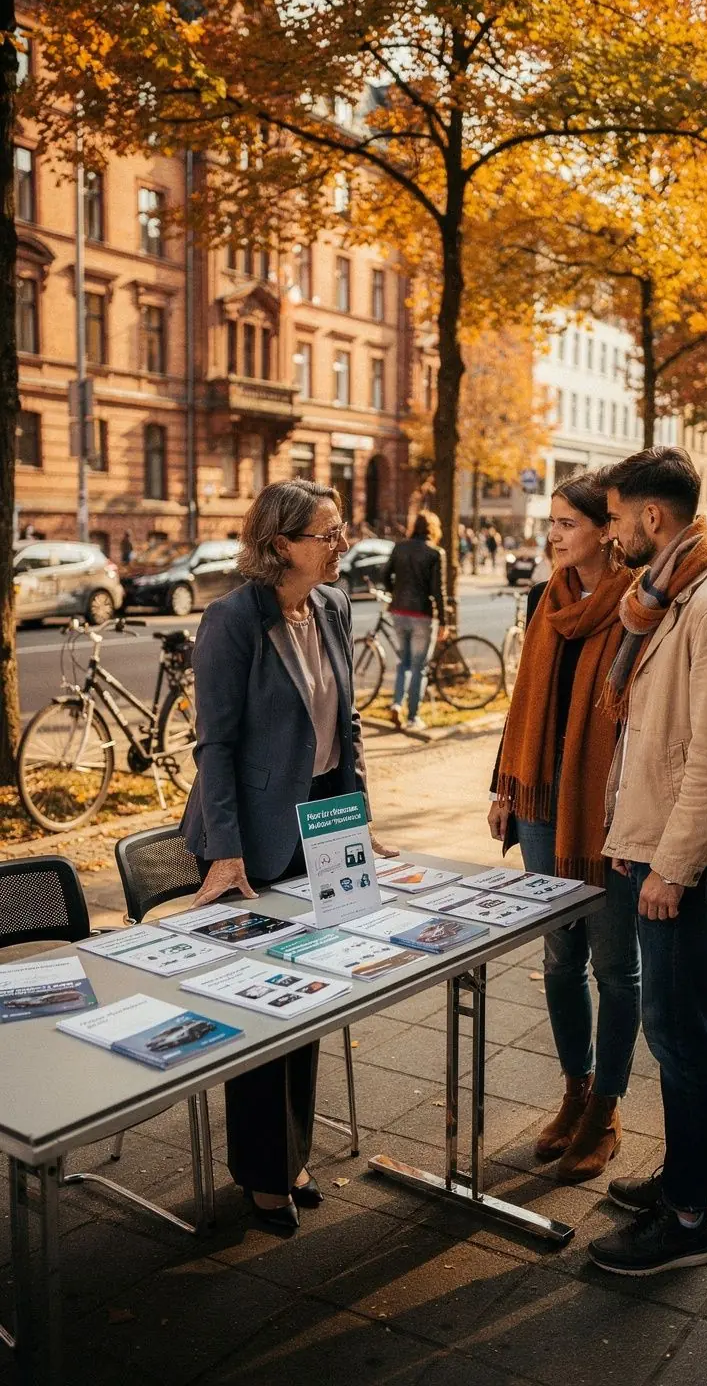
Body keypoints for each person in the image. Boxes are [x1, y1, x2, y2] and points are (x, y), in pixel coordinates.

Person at [181, 479, 394, 1233]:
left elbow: (351, 725)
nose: (343, 546)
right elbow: (217, 745)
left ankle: (292, 1154)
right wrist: (228, 852)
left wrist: (361, 821)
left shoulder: (331, 605)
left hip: (324, 830)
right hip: (258, 840)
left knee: (310, 997)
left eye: (343, 532)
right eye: (328, 536)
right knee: (257, 1005)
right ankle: (261, 1174)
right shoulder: (234, 619)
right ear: (280, 546)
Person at [588, 446, 707, 1277]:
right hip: (651, 843)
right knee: (685, 1026)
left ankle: (688, 1220)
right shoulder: (675, 594)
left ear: (651, 519)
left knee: (678, 1031)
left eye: (618, 517)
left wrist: (671, 867)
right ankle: (694, 1180)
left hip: (676, 859)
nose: (612, 531)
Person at [488, 472, 641, 1182]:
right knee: (559, 958)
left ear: (605, 530)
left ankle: (607, 1107)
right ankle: (575, 1089)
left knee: (614, 966)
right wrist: (503, 786)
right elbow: (524, 695)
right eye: (551, 523)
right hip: (543, 801)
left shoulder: (640, 604)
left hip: (605, 810)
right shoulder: (545, 595)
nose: (551, 535)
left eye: (566, 524)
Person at [383, 511, 447, 731]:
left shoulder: (399, 547)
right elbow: (438, 591)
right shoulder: (435, 553)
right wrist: (445, 621)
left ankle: (396, 703)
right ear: (433, 529)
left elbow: (385, 575)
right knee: (419, 667)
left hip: (399, 611)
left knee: (404, 662)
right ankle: (413, 717)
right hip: (422, 614)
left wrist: (395, 593)